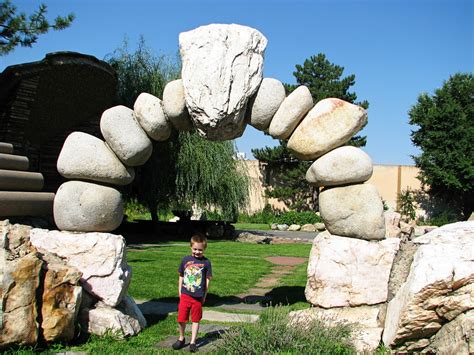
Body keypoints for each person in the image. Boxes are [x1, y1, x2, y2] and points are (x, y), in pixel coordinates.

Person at [172, 233, 212, 352]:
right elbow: (181, 275)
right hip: (185, 294)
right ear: (191, 247)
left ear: (204, 249)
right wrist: (180, 290)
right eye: (195, 249)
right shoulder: (185, 260)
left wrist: (204, 294)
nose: (197, 252)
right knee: (181, 318)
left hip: (198, 297)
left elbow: (208, 279)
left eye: (200, 250)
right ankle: (181, 338)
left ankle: (193, 342)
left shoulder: (206, 262)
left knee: (195, 319)